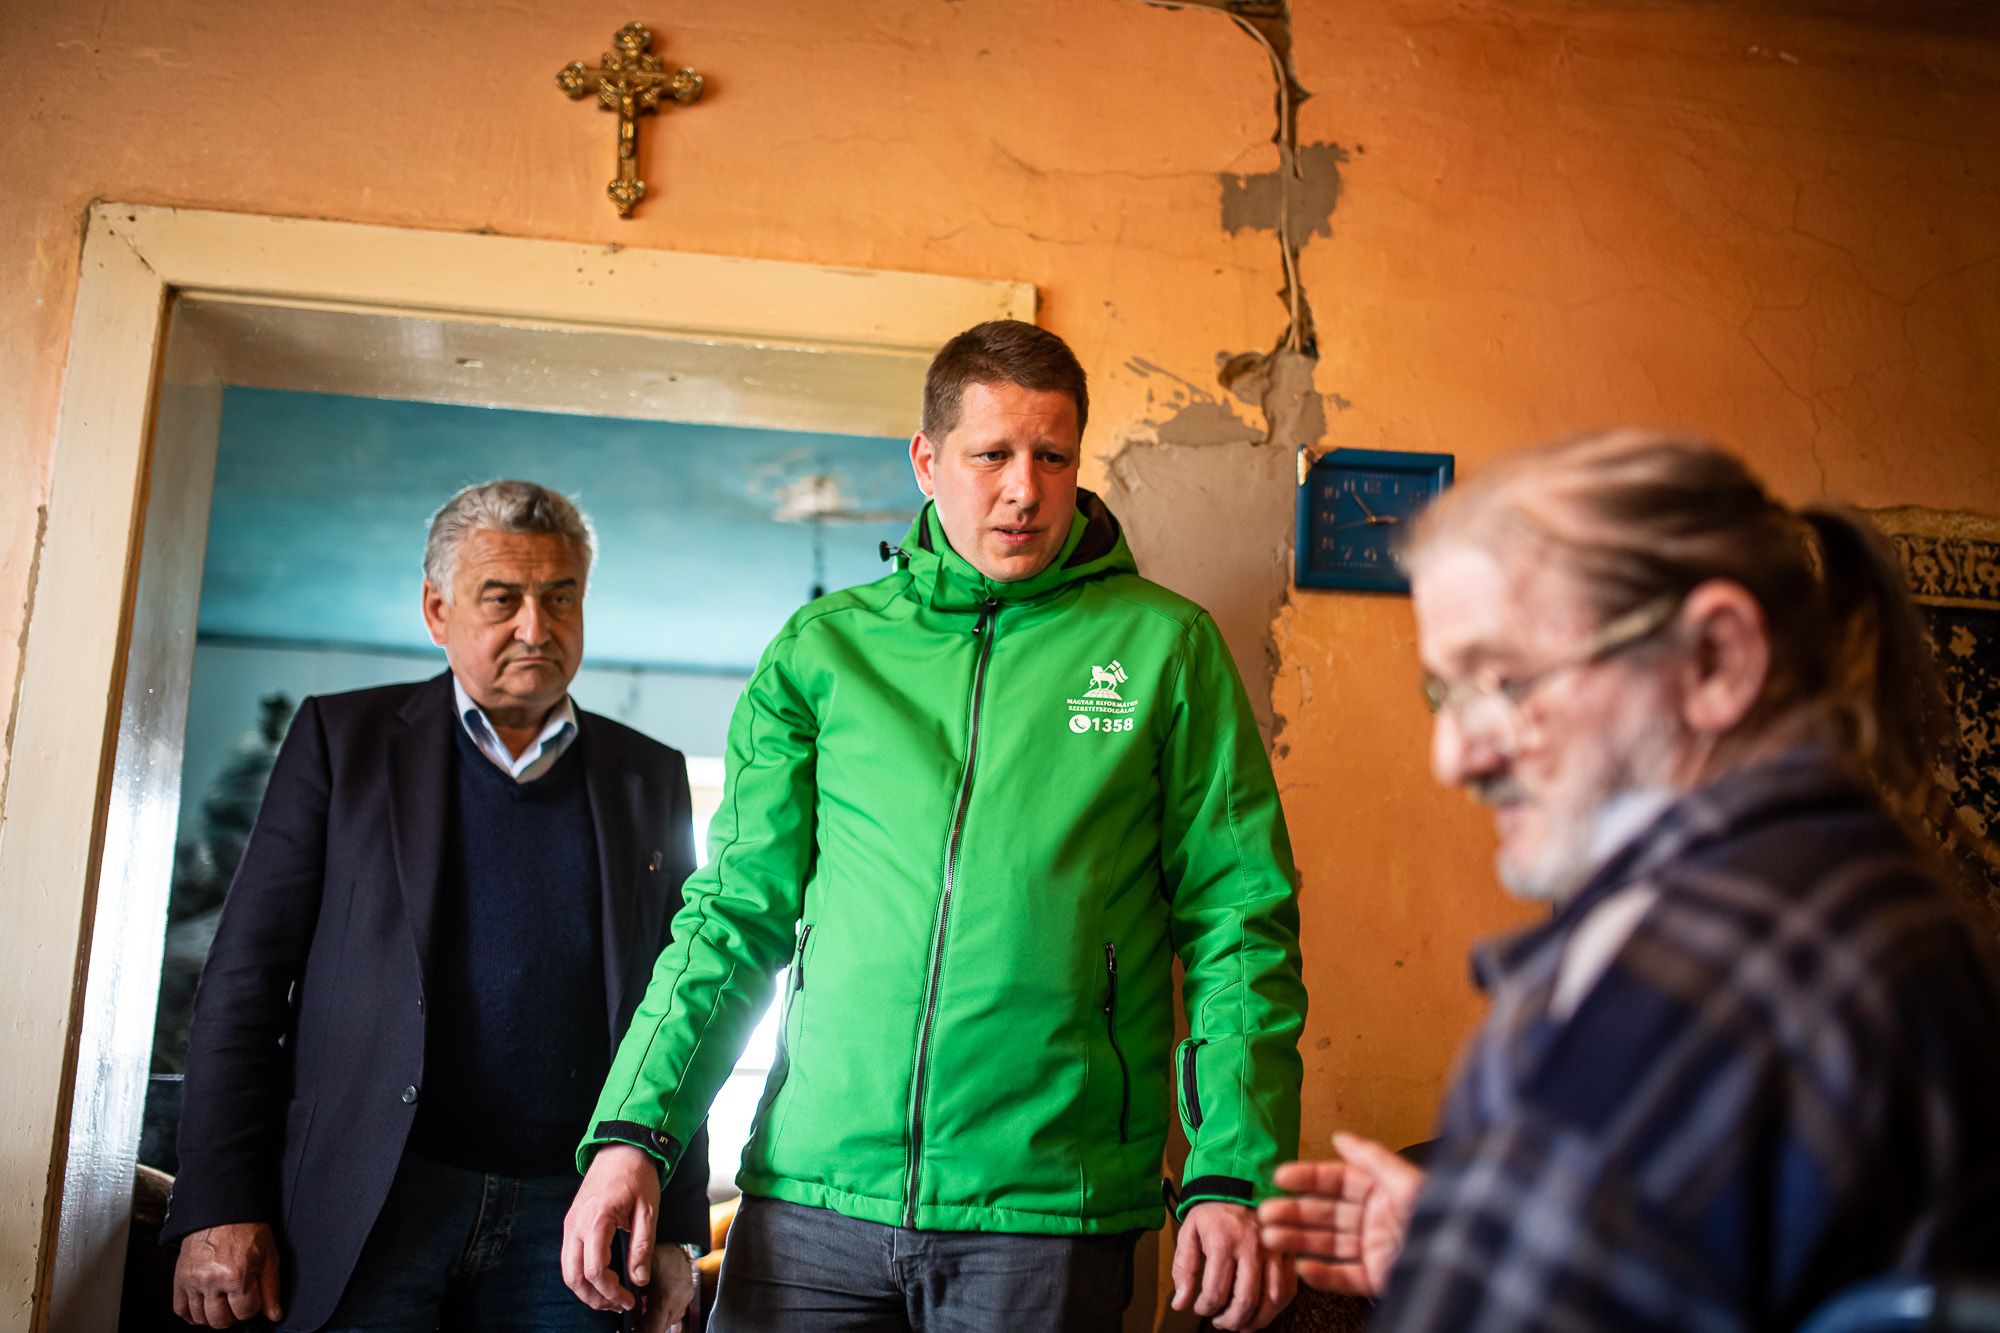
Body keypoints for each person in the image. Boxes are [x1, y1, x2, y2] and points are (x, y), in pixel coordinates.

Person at [562, 320, 1307, 1332]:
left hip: (1046, 1210)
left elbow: (1240, 927)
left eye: (1052, 456)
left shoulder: (1164, 649)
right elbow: (732, 918)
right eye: (991, 455)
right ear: (925, 460)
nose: (1024, 490)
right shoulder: (825, 652)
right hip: (812, 1200)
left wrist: (1233, 1171)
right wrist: (633, 1135)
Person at [1258, 430, 2000, 1330]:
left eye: (1504, 681)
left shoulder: (1687, 974)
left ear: (1716, 660)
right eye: (1445, 694)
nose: (1454, 757)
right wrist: (1485, 1238)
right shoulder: (1875, 898)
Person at [164, 480, 710, 1332]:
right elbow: (245, 981)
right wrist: (218, 1201)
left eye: (560, 597)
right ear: (436, 609)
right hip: (372, 1201)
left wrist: (673, 1223)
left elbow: (680, 1005)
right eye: (502, 597)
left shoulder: (648, 774)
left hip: (573, 1218)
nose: (536, 626)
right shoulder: (341, 741)